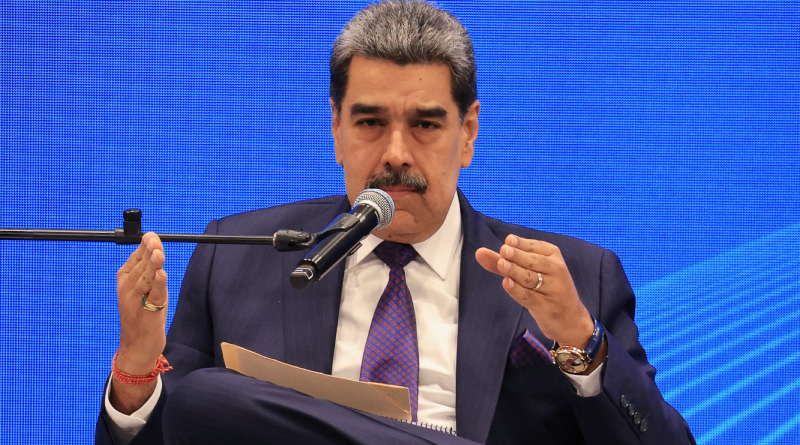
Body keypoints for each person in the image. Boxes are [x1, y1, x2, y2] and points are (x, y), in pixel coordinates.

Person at [97, 1, 695, 444]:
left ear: (468, 133)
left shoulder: (574, 277)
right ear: (337, 130)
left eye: (426, 125)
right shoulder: (236, 256)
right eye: (370, 123)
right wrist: (136, 372)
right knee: (203, 398)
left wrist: (581, 344)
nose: (396, 154)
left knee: (210, 394)